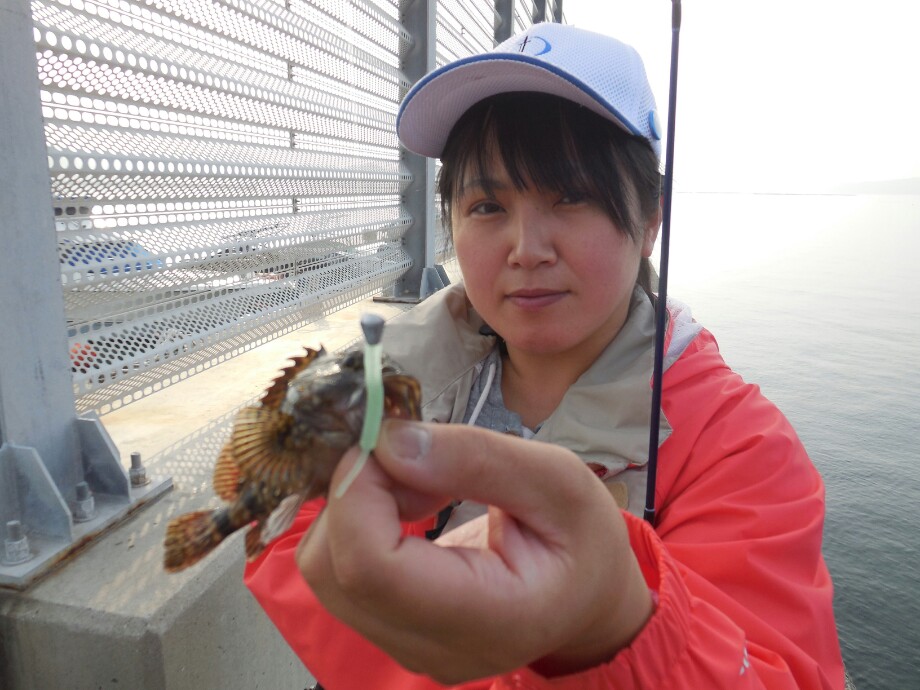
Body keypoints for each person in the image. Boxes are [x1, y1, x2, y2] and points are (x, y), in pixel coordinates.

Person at [245, 22, 845, 689]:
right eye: (487, 205)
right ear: (451, 222)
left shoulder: (743, 451)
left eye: (572, 197)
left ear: (651, 219)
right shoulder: (376, 379)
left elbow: (782, 671)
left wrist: (617, 625)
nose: (527, 249)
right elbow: (283, 528)